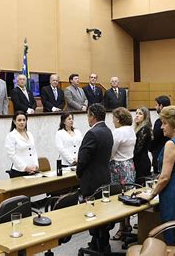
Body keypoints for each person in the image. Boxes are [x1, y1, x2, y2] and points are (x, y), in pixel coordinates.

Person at [137, 106, 175, 245]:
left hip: (173, 191)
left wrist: (150, 195)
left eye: (164, 123)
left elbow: (165, 177)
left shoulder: (171, 144)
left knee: (171, 231)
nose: (162, 127)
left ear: (174, 125)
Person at [76, 103, 113, 253]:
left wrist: (79, 173)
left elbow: (83, 158)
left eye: (88, 115)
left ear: (92, 116)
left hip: (92, 179)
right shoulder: (108, 131)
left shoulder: (92, 133)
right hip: (104, 175)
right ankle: (100, 242)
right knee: (102, 211)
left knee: (93, 212)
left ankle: (100, 244)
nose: (88, 119)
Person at [110, 107, 136, 240]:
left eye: (114, 118)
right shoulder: (131, 130)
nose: (112, 120)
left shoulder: (118, 132)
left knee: (119, 198)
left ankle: (122, 227)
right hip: (129, 165)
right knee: (128, 195)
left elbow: (111, 152)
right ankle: (127, 224)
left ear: (119, 119)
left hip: (118, 166)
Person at [5, 111, 39, 178]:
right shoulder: (11, 135)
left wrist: (36, 165)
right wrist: (25, 168)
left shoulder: (29, 134)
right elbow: (12, 155)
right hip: (19, 172)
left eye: (24, 120)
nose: (22, 122)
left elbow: (34, 151)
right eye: (19, 120)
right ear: (14, 122)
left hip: (32, 171)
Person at [149, 95, 170, 173]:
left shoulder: (159, 121)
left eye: (156, 105)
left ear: (161, 106)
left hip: (159, 154)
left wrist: (150, 147)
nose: (155, 107)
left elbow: (155, 138)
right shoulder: (172, 119)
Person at [132, 106, 152, 185]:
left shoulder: (145, 129)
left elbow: (138, 148)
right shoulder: (138, 128)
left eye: (140, 114)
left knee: (140, 186)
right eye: (136, 113)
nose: (137, 115)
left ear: (145, 116)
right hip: (138, 161)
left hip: (142, 162)